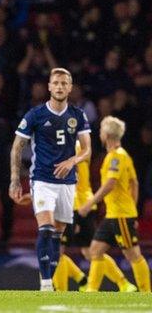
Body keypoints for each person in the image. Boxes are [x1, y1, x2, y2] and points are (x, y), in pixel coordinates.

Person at [9, 68, 91, 291]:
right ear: (49, 86)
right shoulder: (35, 115)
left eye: (64, 83)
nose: (60, 87)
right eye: (56, 83)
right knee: (45, 229)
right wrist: (15, 180)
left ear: (70, 87)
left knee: (57, 237)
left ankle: (51, 280)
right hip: (42, 180)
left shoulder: (78, 115)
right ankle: (45, 283)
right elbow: (17, 146)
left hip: (68, 183)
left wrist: (72, 161)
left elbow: (87, 150)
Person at [78, 116, 150, 292]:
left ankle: (146, 293)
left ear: (107, 135)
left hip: (121, 215)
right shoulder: (120, 155)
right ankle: (92, 291)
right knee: (95, 250)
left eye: (102, 130)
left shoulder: (116, 157)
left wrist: (90, 203)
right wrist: (133, 209)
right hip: (114, 215)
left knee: (133, 255)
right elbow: (135, 183)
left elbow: (110, 184)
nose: (100, 133)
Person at [53, 142, 136, 292]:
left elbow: (70, 174)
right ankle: (121, 283)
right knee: (88, 252)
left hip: (74, 205)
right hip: (83, 202)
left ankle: (63, 291)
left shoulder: (68, 146)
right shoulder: (79, 145)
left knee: (57, 251)